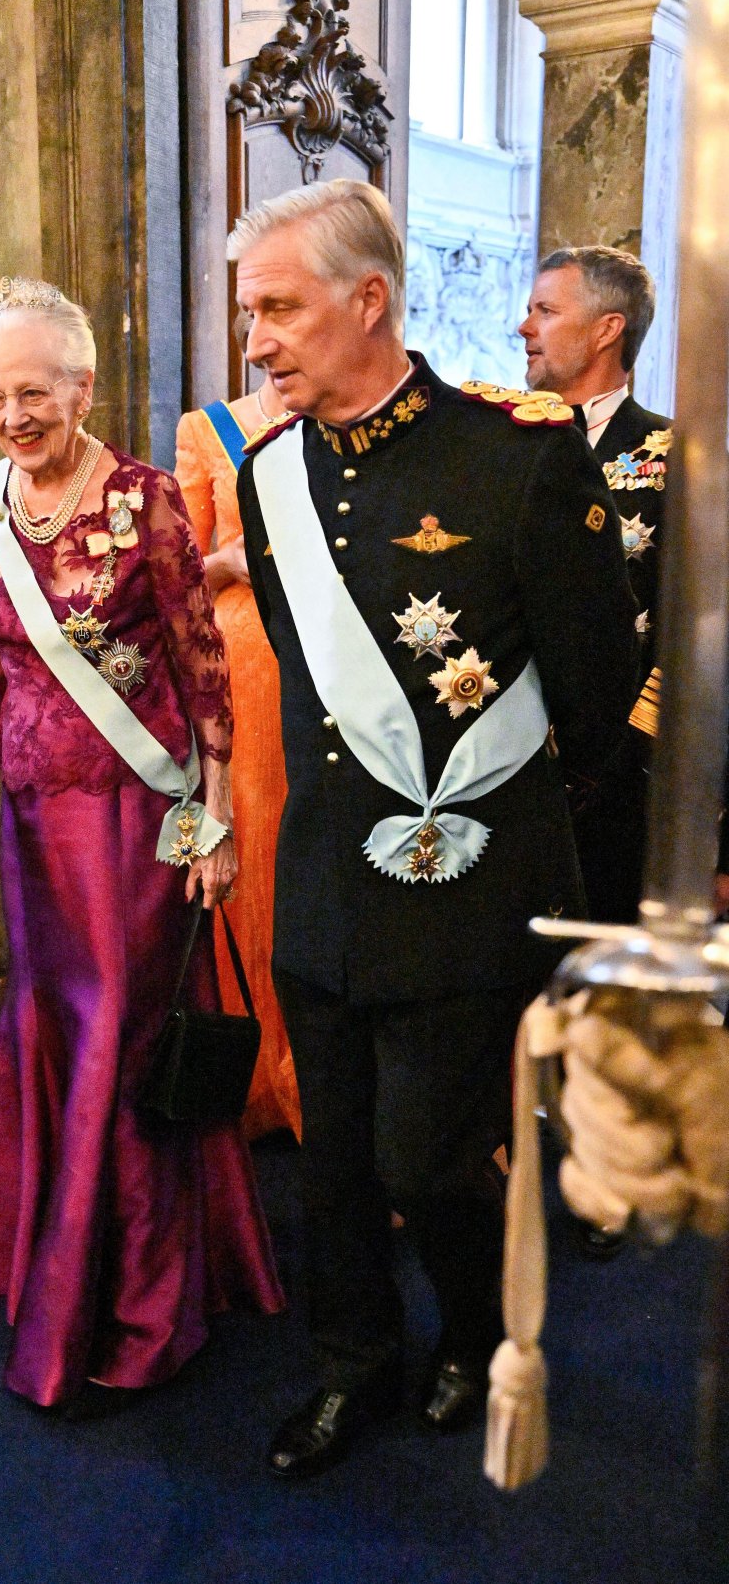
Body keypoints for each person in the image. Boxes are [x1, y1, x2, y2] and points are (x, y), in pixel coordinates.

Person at [230, 179, 639, 1478]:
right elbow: (305, 681)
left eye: (281, 309)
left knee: (433, 1155)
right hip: (323, 889)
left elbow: (585, 697)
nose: (257, 340)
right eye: (251, 312)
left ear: (368, 301)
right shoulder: (270, 475)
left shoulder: (517, 457)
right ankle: (355, 1367)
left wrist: (490, 840)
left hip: (467, 892)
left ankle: (468, 1330)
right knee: (334, 1162)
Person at [0, 276, 283, 1413]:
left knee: (123, 1029)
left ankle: (137, 1307)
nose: (13, 416)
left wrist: (213, 811)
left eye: (34, 391)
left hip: (135, 816)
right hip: (32, 816)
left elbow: (197, 657)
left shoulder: (147, 496)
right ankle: (56, 1258)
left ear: (82, 385)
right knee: (56, 1022)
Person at [519, 246, 669, 926]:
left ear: (608, 328)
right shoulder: (498, 449)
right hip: (502, 781)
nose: (524, 328)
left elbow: (698, 646)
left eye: (546, 311)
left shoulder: (681, 460)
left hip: (625, 789)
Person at [174, 362, 302, 1142]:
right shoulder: (206, 430)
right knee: (240, 854)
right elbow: (174, 570)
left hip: (331, 668)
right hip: (239, 677)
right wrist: (232, 562)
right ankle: (249, 1073)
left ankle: (314, 1076)